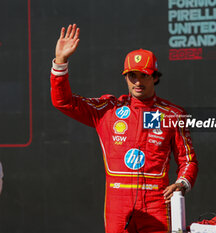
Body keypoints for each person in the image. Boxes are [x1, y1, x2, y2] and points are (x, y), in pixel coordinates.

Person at [50, 24, 198, 233]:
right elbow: (63, 102)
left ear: (155, 76)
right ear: (125, 77)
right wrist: (61, 62)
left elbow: (188, 160)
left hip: (157, 200)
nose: (137, 82)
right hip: (117, 203)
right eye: (132, 76)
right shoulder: (108, 109)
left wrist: (181, 184)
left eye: (144, 75)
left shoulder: (173, 114)